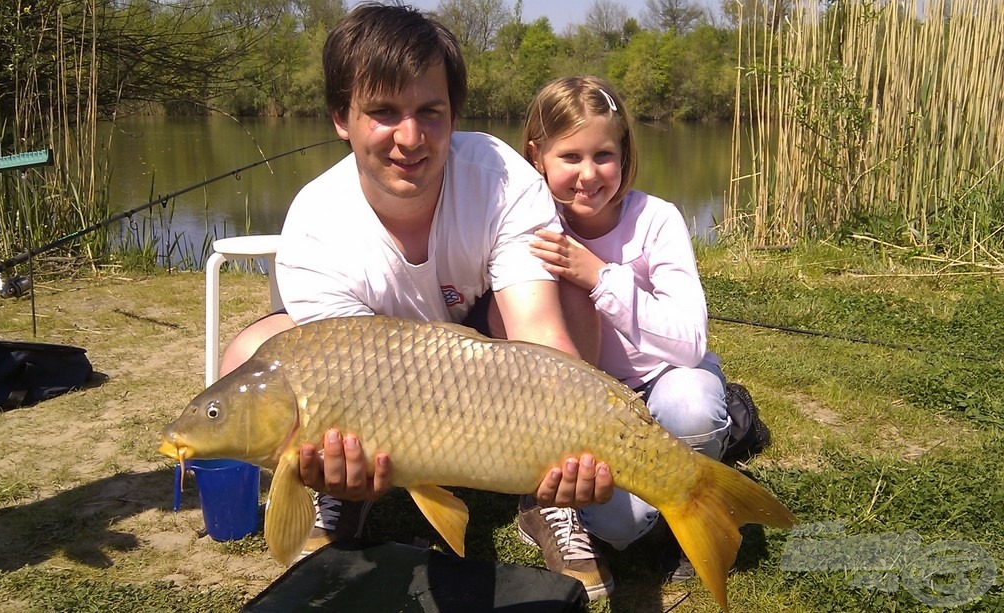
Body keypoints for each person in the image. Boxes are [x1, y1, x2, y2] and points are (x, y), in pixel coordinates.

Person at [216, 3, 614, 599]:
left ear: (454, 115)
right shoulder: (316, 222)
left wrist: (578, 443)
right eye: (382, 113)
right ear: (341, 118)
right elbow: (340, 378)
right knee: (250, 355)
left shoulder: (503, 179)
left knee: (574, 308)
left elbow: (538, 335)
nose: (410, 138)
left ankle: (545, 494)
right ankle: (345, 490)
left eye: (430, 112)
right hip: (374, 366)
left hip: (477, 340)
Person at [523, 76, 732, 582]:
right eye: (570, 157)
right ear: (537, 157)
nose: (588, 174)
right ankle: (556, 510)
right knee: (622, 528)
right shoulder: (528, 226)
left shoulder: (657, 219)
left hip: (665, 380)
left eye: (604, 155)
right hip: (592, 409)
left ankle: (702, 483)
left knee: (694, 410)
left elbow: (690, 341)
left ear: (625, 152)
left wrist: (599, 277)